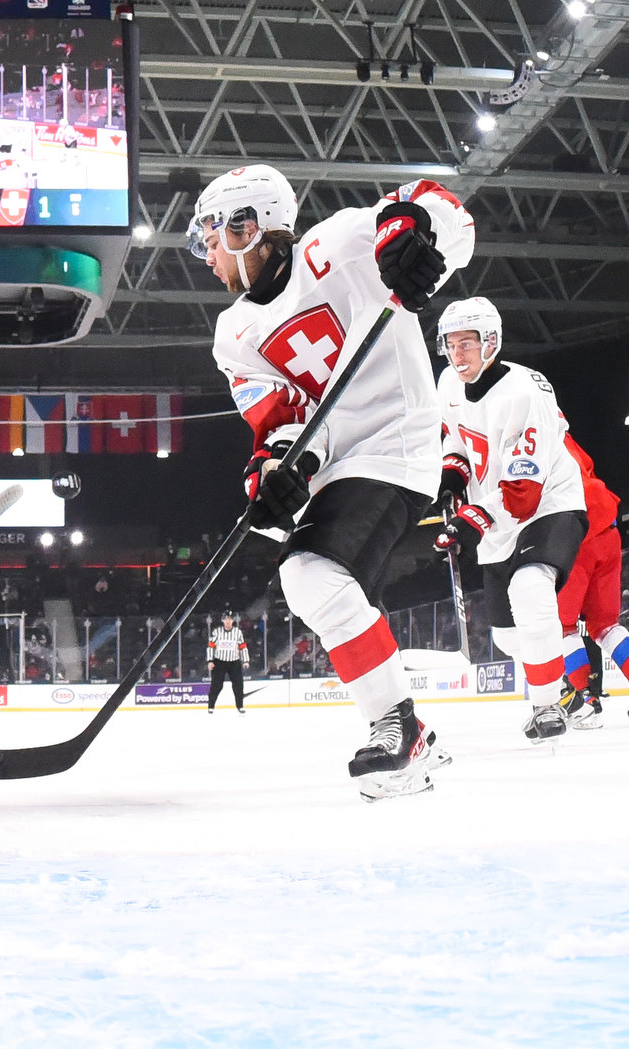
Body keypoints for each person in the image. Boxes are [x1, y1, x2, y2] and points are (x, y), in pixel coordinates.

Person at [192, 164, 474, 798]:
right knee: (309, 580)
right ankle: (407, 733)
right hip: (341, 461)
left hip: (398, 440)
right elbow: (280, 421)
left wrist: (418, 238)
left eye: (212, 238)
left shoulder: (342, 243)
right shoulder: (231, 334)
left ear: (249, 228)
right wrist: (274, 472)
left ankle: (398, 728)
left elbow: (445, 212)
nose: (205, 255)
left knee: (310, 574)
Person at [435, 297, 621, 741]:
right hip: (497, 520)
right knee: (506, 638)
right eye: (450, 345)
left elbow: (522, 496)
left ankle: (545, 709)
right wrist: (452, 478)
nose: (457, 355)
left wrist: (468, 520)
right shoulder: (447, 384)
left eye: (467, 343)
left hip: (551, 504)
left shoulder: (526, 393)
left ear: (491, 343)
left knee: (531, 587)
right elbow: (457, 441)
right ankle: (564, 689)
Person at [207, 612, 247, 714]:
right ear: (223, 621)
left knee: (238, 685)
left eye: (229, 619)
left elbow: (242, 647)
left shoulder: (237, 632)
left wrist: (246, 660)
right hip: (219, 662)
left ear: (233, 620)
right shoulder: (217, 632)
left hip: (234, 662)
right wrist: (210, 661)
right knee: (216, 685)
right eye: (226, 619)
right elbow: (211, 646)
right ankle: (211, 706)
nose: (228, 621)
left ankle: (240, 706)